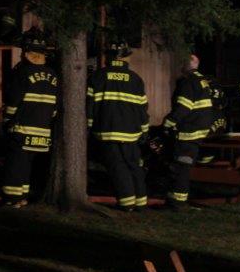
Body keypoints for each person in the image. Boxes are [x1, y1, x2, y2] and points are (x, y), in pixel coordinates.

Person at [87, 41, 150, 211]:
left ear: (108, 56)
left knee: (118, 167)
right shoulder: (136, 79)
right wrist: (144, 130)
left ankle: (127, 203)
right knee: (134, 166)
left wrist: (89, 127)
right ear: (125, 57)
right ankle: (141, 202)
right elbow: (142, 108)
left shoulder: (98, 77)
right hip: (132, 133)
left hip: (108, 131)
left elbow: (90, 106)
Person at [1, 28, 58, 208]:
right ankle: (24, 197)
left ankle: (13, 199)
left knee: (16, 167)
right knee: (30, 168)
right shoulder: (53, 76)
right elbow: (55, 108)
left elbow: (13, 102)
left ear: (26, 52)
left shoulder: (21, 73)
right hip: (43, 132)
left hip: (21, 130)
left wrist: (6, 121)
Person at [161, 53, 214, 209]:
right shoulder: (202, 81)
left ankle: (177, 202)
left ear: (185, 65)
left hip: (188, 131)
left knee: (181, 167)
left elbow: (184, 107)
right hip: (198, 130)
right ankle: (177, 199)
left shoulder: (188, 82)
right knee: (184, 166)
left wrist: (169, 122)